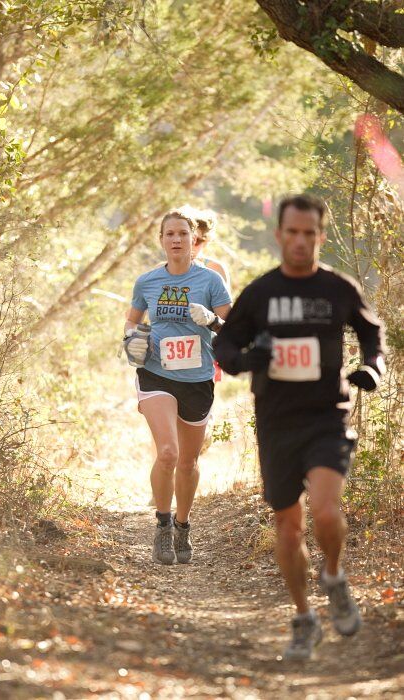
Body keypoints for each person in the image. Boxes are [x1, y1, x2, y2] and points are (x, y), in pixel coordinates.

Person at [213, 194, 385, 660]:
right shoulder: (262, 293)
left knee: (327, 513)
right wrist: (248, 360)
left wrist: (372, 367)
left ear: (320, 237)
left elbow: (372, 334)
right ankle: (304, 618)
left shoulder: (338, 289)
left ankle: (333, 573)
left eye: (310, 234)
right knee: (288, 529)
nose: (301, 241)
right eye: (293, 232)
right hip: (276, 422)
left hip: (327, 416)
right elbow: (224, 346)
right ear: (279, 235)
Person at [123, 209, 231, 565]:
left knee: (188, 461)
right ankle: (162, 527)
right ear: (161, 240)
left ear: (192, 238)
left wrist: (213, 320)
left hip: (197, 379)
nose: (176, 240)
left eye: (182, 234)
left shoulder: (211, 281)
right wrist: (131, 341)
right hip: (155, 374)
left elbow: (235, 329)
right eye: (169, 234)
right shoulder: (147, 282)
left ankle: (184, 526)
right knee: (167, 453)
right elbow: (132, 322)